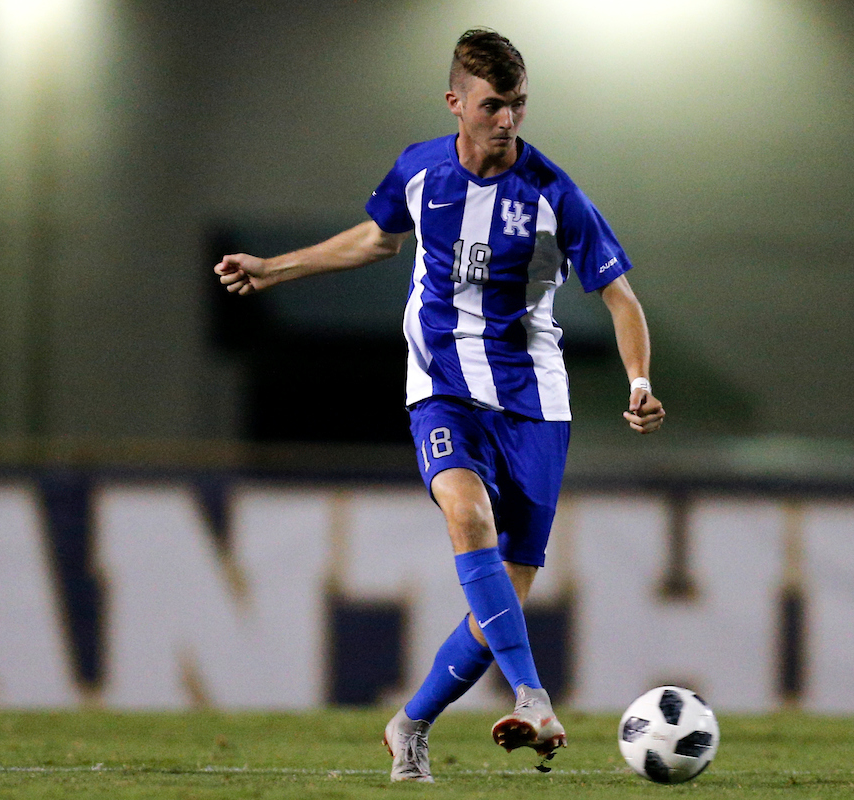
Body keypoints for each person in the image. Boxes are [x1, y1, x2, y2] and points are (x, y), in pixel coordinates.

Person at [214, 28, 665, 783]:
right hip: (442, 387)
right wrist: (274, 270)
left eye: (518, 105)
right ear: (456, 102)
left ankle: (410, 722)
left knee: (501, 609)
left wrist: (639, 382)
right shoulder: (421, 170)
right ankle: (533, 696)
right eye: (493, 105)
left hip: (533, 406)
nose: (508, 120)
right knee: (468, 513)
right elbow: (376, 239)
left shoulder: (556, 195)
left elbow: (620, 299)